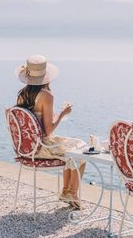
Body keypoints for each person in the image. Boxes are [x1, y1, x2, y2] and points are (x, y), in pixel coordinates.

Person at [15, 54, 86, 209]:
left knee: (75, 145)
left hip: (26, 148)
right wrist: (62, 114)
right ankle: (71, 192)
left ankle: (67, 192)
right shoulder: (46, 95)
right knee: (82, 150)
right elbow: (47, 131)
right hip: (41, 148)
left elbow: (33, 122)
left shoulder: (22, 94)